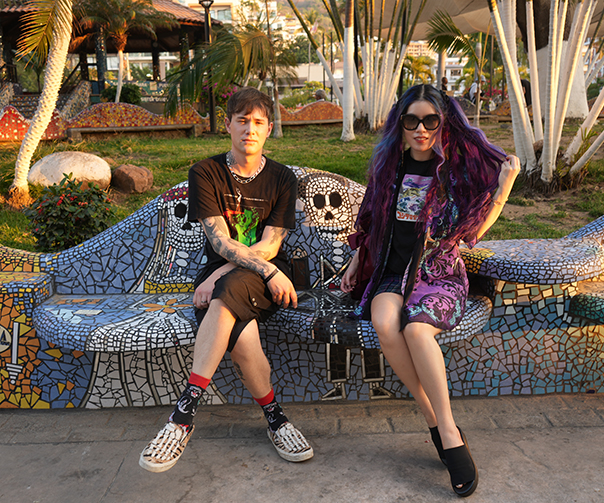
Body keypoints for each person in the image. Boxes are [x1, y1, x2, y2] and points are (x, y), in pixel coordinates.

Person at [341, 84, 519, 497]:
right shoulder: (389, 170)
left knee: (416, 330)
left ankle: (449, 433)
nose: (421, 129)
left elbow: (474, 229)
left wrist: (505, 188)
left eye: (430, 121)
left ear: (443, 124)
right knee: (385, 321)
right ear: (399, 126)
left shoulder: (453, 174)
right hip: (390, 272)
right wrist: (355, 261)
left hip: (436, 273)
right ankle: (434, 420)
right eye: (411, 121)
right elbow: (369, 220)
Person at [139, 87, 313, 473]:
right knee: (241, 333)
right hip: (254, 275)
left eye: (258, 123)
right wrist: (236, 270)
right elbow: (218, 239)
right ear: (229, 126)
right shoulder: (206, 172)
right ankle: (276, 419)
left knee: (226, 291)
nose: (250, 129)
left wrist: (228, 270)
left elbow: (270, 246)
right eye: (242, 121)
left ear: (269, 129)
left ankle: (182, 415)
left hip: (263, 278)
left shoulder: (283, 178)